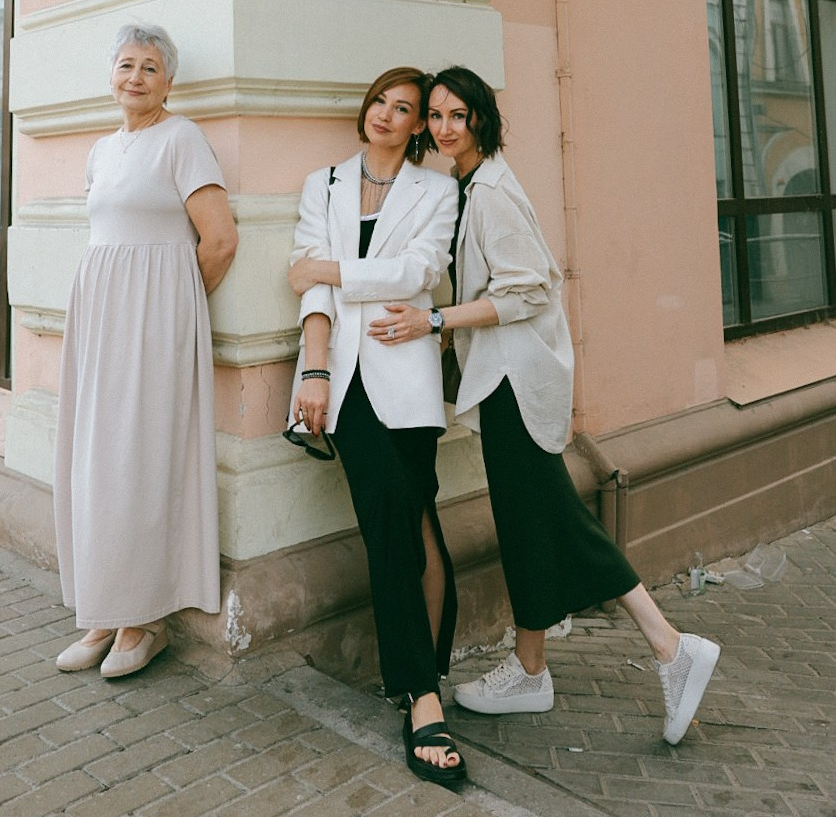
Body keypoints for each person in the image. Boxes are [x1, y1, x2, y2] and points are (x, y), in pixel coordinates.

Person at [369, 65, 720, 747]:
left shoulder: (492, 190)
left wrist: (436, 322)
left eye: (456, 115)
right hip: (500, 379)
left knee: (553, 516)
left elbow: (529, 289)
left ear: (480, 119)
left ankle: (671, 646)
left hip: (514, 381)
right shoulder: (467, 182)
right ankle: (531, 668)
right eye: (434, 116)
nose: (443, 127)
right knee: (526, 521)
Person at [288, 68, 465, 787]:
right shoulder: (321, 183)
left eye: (404, 110)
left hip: (407, 373)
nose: (386, 116)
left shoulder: (437, 189)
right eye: (380, 103)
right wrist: (315, 369)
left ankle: (425, 668)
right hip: (345, 379)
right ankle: (420, 694)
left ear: (420, 125)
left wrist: (333, 265)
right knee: (390, 514)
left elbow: (419, 271)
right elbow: (309, 286)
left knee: (414, 512)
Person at [53, 22, 238, 678]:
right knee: (98, 460)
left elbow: (217, 240)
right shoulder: (102, 148)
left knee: (139, 460)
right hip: (100, 322)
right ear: (111, 73)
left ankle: (145, 619)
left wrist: (171, 315)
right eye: (126, 63)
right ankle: (103, 611)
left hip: (152, 325)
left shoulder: (181, 138)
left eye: (150, 67)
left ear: (169, 81)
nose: (136, 76)